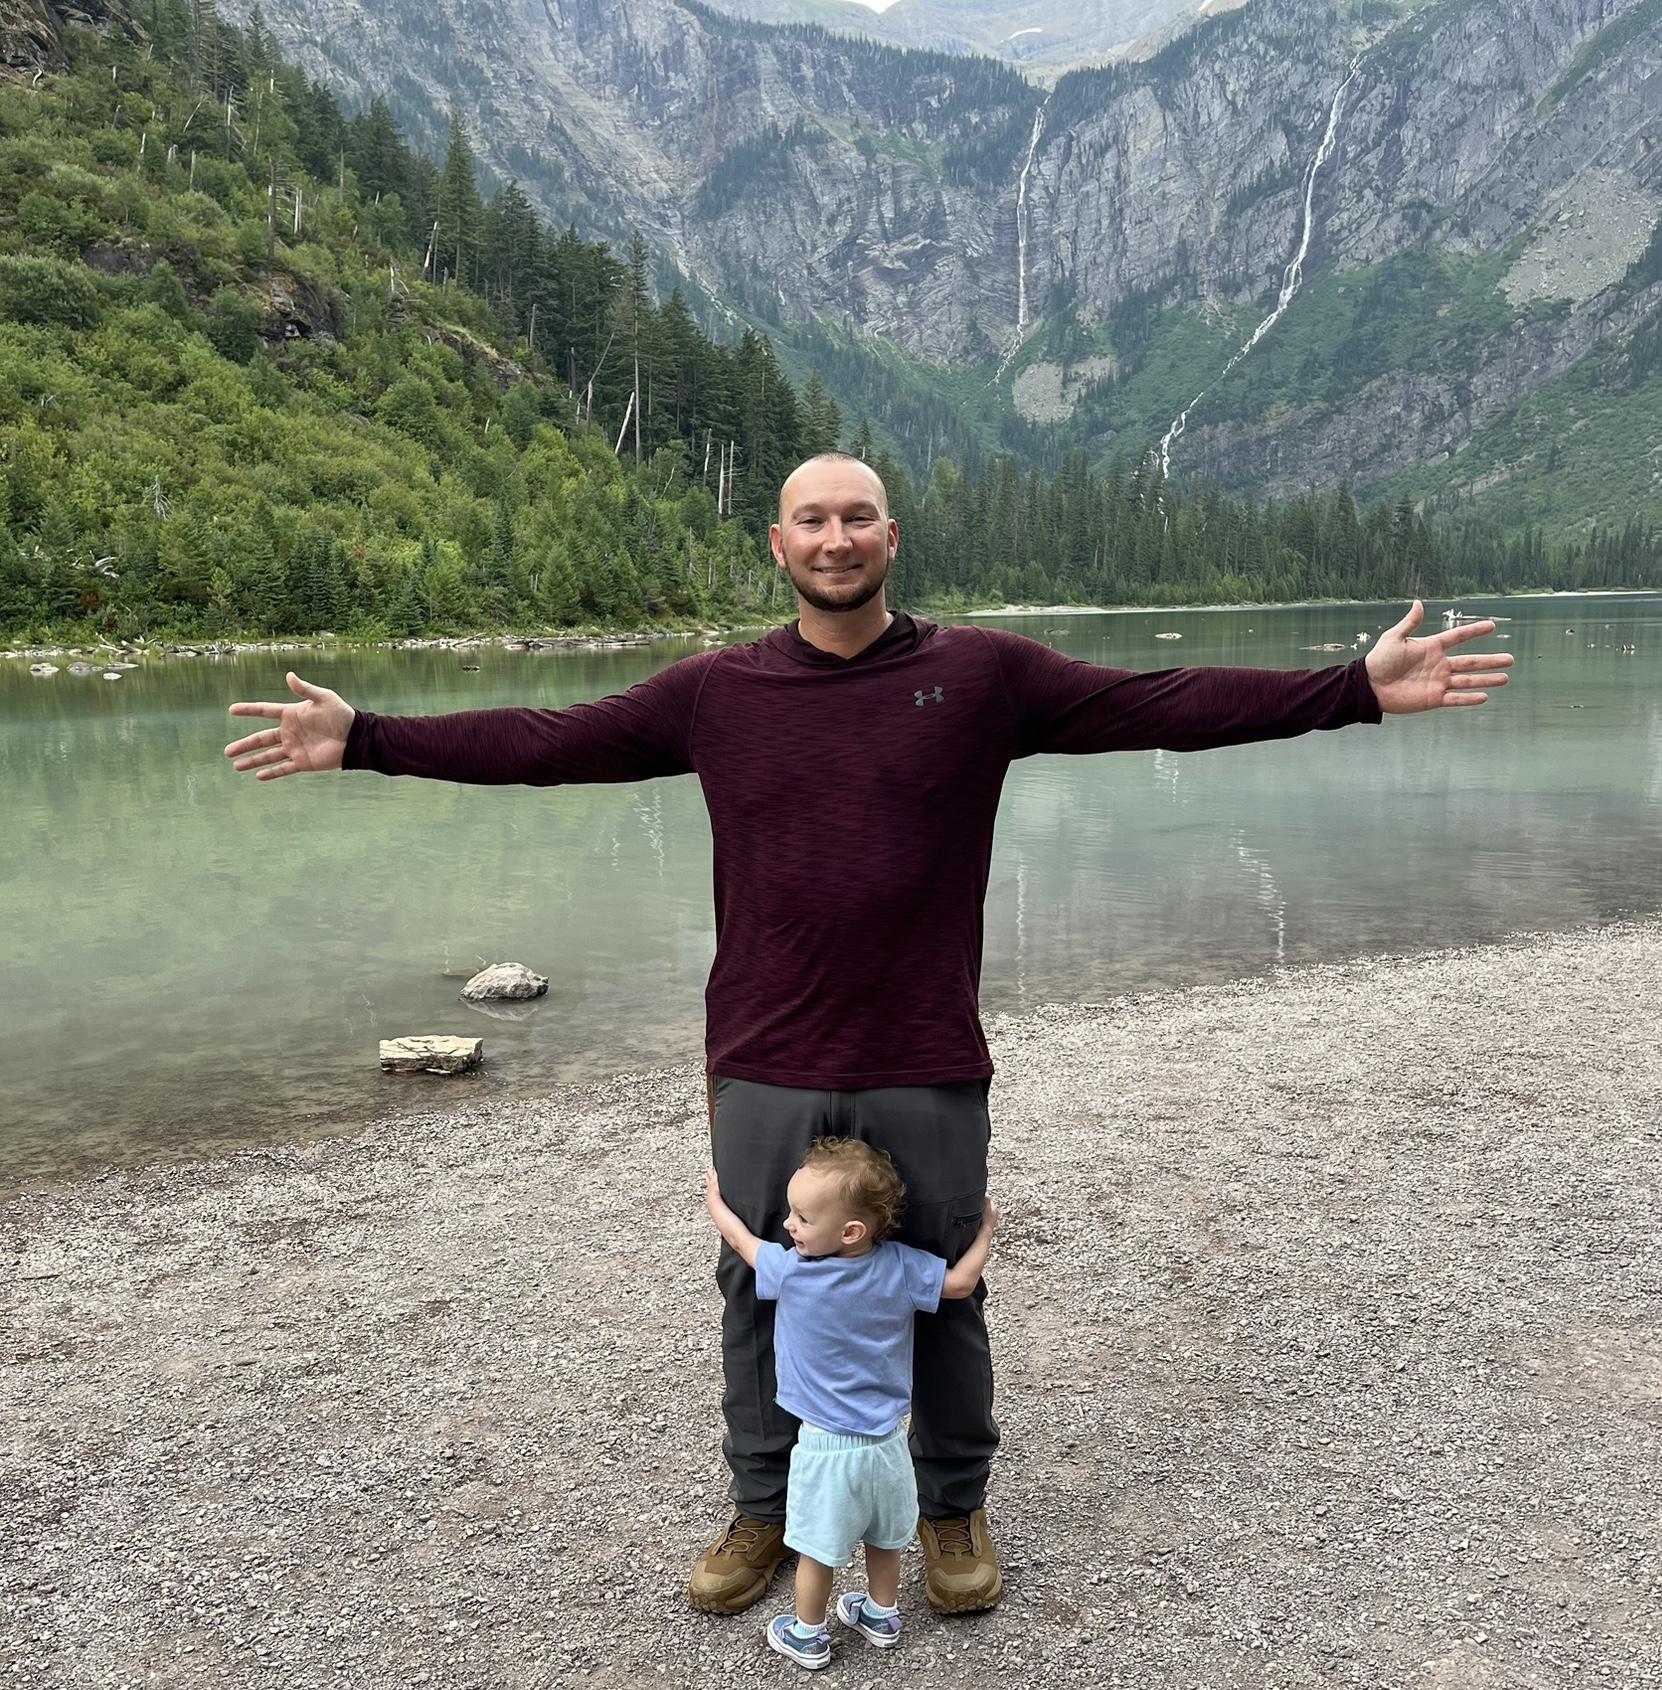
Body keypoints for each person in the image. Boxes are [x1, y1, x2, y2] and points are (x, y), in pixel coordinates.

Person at [225, 451, 1513, 1617]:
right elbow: (549, 740)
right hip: (765, 1054)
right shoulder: (715, 692)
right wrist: (368, 738)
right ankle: (764, 1509)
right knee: (759, 1286)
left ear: (891, 539)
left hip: (923, 1049)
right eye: (811, 520)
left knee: (943, 1286)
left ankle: (952, 1508)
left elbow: (1161, 701)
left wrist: (1350, 690)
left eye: (856, 518)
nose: (834, 538)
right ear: (777, 545)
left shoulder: (984, 677)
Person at [704, 1140, 999, 1668]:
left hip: (825, 1447)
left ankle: (807, 1633)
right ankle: (881, 1616)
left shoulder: (792, 1271)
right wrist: (986, 1232)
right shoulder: (902, 1266)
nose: (789, 1225)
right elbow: (960, 1284)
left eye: (801, 1218)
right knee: (885, 1538)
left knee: (818, 1547)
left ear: (850, 1231)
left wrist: (715, 1199)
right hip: (888, 1442)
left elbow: (742, 1241)